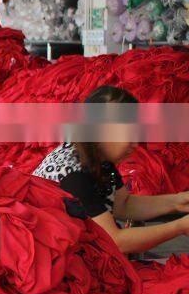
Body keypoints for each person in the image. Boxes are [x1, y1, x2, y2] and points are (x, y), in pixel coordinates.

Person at [33, 86, 189, 254]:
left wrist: (179, 202)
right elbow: (115, 242)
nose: (135, 145)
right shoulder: (73, 176)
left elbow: (123, 204)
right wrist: (179, 227)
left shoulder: (96, 156)